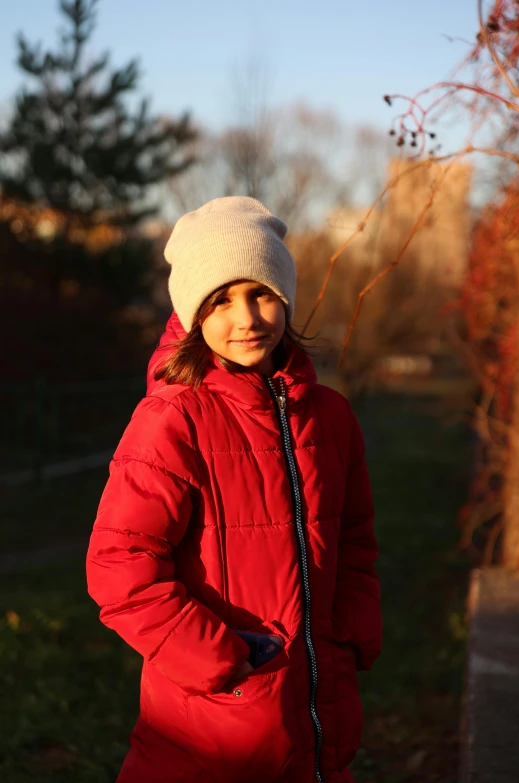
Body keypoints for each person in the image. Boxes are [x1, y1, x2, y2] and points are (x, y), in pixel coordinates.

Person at [86, 196, 382, 783]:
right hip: (210, 728)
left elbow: (354, 538)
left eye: (261, 293)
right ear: (193, 314)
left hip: (320, 709)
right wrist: (222, 659)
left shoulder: (330, 418)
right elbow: (119, 564)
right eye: (220, 300)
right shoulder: (173, 420)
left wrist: (347, 635)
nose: (245, 317)